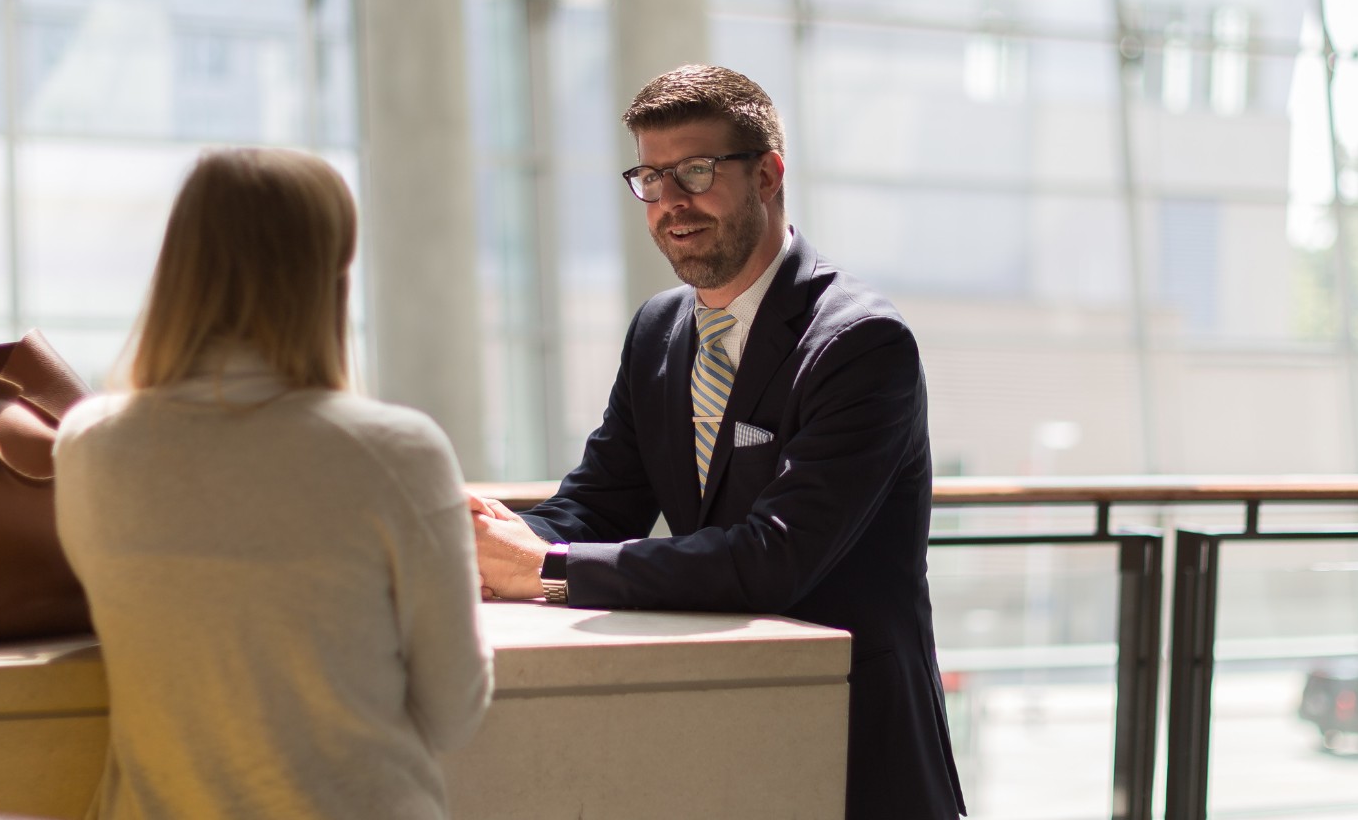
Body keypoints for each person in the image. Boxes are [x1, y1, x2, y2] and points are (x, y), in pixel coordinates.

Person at [469, 65, 965, 819]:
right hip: (717, 734)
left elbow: (774, 557)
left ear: (767, 174)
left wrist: (544, 568)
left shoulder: (861, 344)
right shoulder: (659, 330)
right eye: (649, 178)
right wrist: (490, 541)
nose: (670, 203)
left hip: (856, 745)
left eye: (695, 172)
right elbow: (601, 502)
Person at [55, 147, 491, 820]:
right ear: (327, 280)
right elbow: (454, 712)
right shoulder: (392, 452)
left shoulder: (89, 444)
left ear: (179, 267)